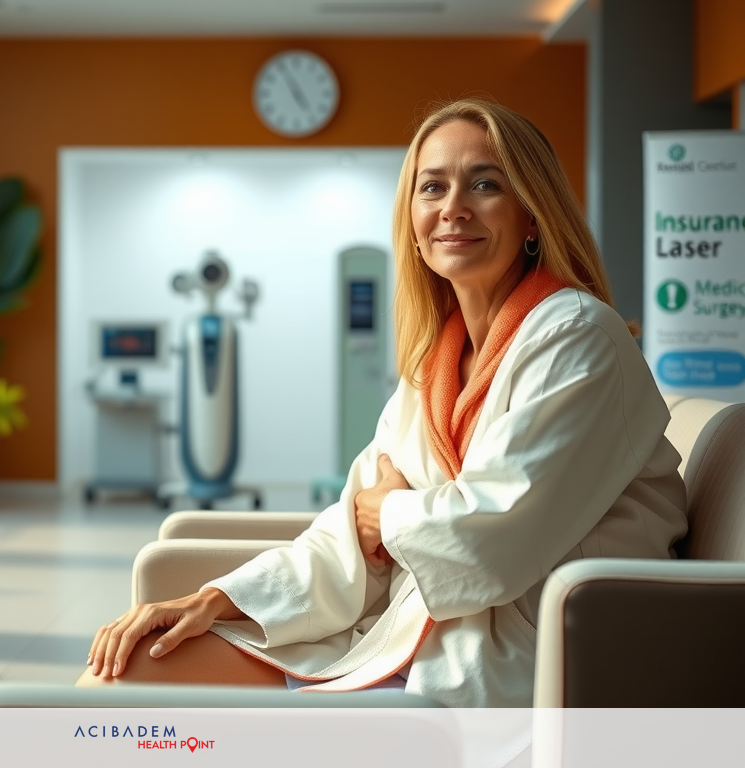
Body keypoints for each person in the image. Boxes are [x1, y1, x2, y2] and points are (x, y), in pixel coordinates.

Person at [77, 98, 689, 707]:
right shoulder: (435, 364)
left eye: (485, 184)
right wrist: (216, 598)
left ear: (532, 214)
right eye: (432, 187)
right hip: (412, 642)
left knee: (126, 706)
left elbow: (487, 541)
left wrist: (389, 511)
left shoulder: (577, 337)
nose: (453, 209)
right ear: (413, 219)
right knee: (122, 676)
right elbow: (349, 527)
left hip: (518, 669)